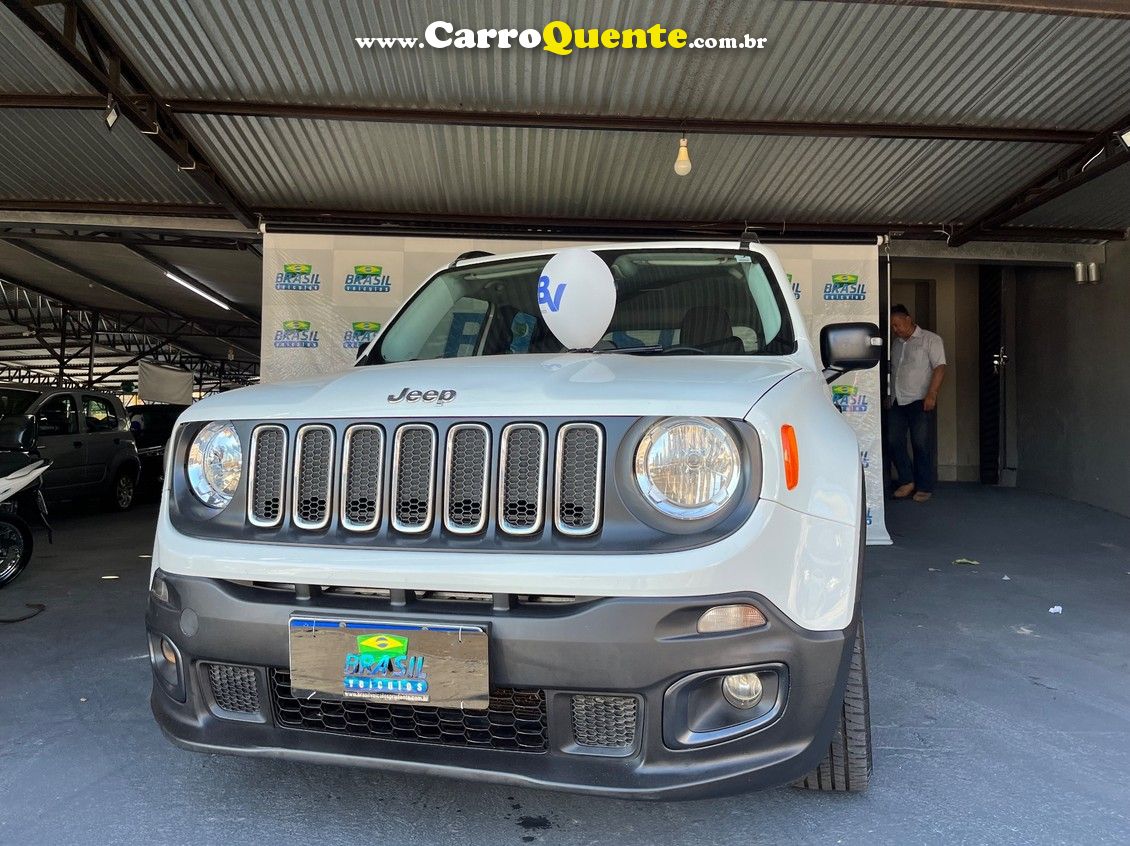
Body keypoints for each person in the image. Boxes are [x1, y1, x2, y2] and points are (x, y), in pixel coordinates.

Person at [888, 304, 946, 502]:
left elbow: (939, 367)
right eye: (892, 326)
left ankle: (924, 486)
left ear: (908, 319)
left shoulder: (930, 339)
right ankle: (906, 480)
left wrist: (932, 393)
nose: (895, 329)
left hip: (920, 399)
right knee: (893, 440)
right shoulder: (896, 344)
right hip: (898, 400)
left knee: (921, 443)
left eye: (897, 324)